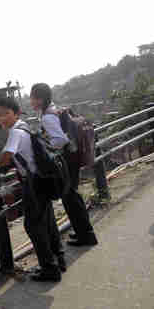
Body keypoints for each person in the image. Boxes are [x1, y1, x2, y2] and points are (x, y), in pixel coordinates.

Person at [0, 97, 64, 282]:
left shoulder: (15, 132)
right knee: (48, 222)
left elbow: (7, 155)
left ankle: (49, 269)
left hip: (33, 183)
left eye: (6, 114)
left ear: (16, 113)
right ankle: (59, 259)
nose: (2, 118)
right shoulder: (25, 126)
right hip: (42, 179)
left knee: (33, 226)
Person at [30, 83, 98, 247]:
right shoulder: (55, 109)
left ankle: (86, 236)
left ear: (40, 99)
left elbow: (60, 140)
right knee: (72, 196)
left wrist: (47, 147)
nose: (31, 101)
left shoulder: (47, 116)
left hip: (66, 161)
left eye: (32, 97)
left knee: (70, 198)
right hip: (72, 157)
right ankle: (85, 232)